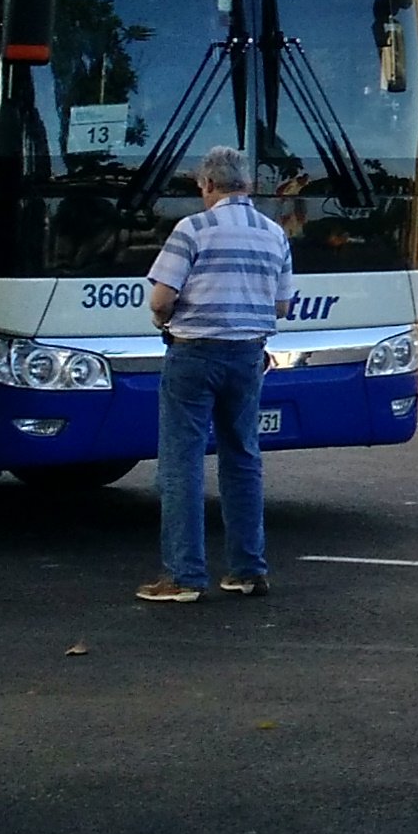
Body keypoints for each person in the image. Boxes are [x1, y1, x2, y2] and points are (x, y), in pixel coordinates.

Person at [143, 147, 293, 605]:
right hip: (248, 355)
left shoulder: (192, 229)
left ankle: (184, 576)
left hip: (194, 355)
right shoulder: (273, 234)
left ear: (207, 185)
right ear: (246, 184)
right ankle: (248, 570)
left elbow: (160, 298)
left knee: (181, 463)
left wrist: (164, 316)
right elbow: (282, 306)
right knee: (243, 457)